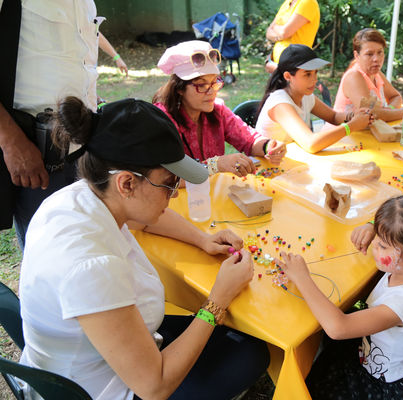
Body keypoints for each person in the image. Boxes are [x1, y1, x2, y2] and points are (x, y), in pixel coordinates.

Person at [19, 97, 269, 400]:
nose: (174, 193)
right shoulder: (92, 267)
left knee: (234, 339)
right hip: (102, 388)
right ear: (126, 184)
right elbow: (155, 386)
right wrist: (217, 300)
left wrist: (202, 239)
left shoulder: (81, 195)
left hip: (99, 357)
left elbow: (145, 220)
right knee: (250, 352)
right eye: (169, 183)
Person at [276, 194, 403, 399]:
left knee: (318, 383)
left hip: (381, 380)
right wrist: (375, 227)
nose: (374, 245)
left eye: (382, 245)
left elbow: (338, 328)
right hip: (372, 349)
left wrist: (302, 278)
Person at [0, 0, 102, 248]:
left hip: (85, 144)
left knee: (85, 243)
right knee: (49, 250)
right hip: (35, 150)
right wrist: (11, 141)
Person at [153, 40, 287, 177]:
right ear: (179, 88)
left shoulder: (217, 109)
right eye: (202, 85)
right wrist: (215, 165)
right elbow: (164, 176)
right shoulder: (162, 120)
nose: (211, 91)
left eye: (214, 82)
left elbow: (249, 139)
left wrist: (268, 146)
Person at [256, 44, 371, 154]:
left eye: (315, 73)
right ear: (288, 76)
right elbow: (310, 143)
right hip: (269, 166)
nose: (314, 79)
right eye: (307, 74)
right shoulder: (280, 104)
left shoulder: (306, 96)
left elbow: (333, 117)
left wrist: (353, 115)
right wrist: (351, 126)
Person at [333, 28, 403, 122]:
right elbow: (370, 114)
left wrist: (390, 109)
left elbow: (396, 97)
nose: (376, 59)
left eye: (380, 52)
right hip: (344, 135)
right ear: (357, 55)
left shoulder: (377, 74)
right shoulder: (354, 76)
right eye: (369, 54)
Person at [265, 0, 320, 73]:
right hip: (278, 66)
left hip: (294, 68)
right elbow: (268, 32)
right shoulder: (288, 2)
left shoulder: (308, 2)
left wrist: (277, 31)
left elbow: (284, 33)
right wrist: (280, 35)